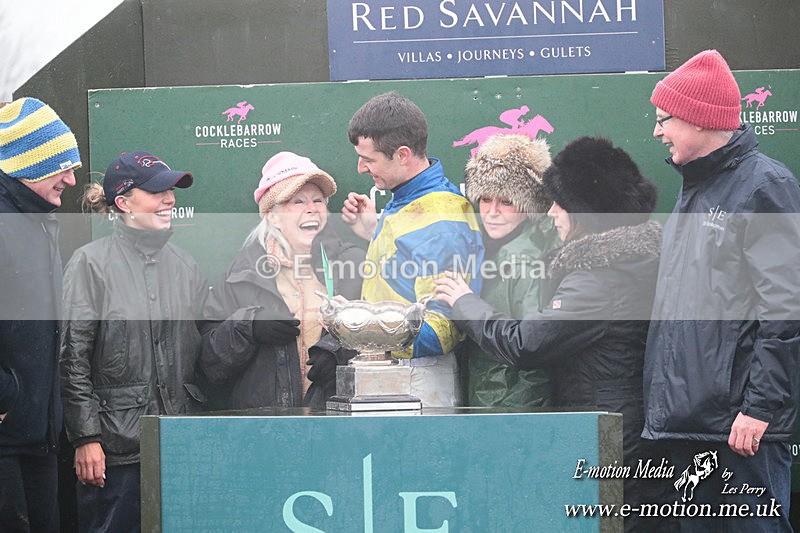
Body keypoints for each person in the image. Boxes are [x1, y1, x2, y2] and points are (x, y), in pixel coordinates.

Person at [436, 136, 660, 531]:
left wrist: (464, 301)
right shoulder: (623, 261)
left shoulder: (599, 280)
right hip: (610, 423)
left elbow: (525, 343)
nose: (552, 212)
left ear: (586, 213)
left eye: (561, 203)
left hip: (610, 434)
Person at [642, 49, 800, 531]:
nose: (656, 131)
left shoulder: (763, 186)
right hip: (693, 427)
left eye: (663, 118)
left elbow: (787, 310)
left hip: (741, 433)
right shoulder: (696, 190)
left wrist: (758, 410)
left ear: (697, 118)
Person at [60, 151, 208, 532]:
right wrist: (86, 437)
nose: (170, 199)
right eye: (157, 191)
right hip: (114, 451)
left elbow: (203, 353)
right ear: (123, 203)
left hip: (180, 445)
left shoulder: (187, 265)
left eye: (171, 190)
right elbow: (72, 359)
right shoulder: (89, 263)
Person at [341, 91, 484, 407]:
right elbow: (409, 275)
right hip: (397, 370)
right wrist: (372, 230)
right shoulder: (406, 200)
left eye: (369, 159)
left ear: (402, 155)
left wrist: (365, 336)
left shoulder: (441, 216)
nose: (361, 168)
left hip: (417, 378)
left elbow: (441, 327)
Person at [199, 151, 365, 410]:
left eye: (318, 200)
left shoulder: (353, 265)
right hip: (266, 433)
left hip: (338, 427)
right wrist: (248, 327)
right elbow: (209, 363)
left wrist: (341, 355)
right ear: (272, 215)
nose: (311, 208)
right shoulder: (241, 275)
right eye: (297, 201)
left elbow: (385, 349)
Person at [0, 97, 81, 533]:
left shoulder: (38, 219)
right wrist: (6, 396)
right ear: (26, 164)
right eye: (61, 166)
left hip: (38, 433)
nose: (71, 179)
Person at [459, 133, 559, 407]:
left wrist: (510, 420)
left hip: (507, 410)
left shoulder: (525, 261)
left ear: (529, 206)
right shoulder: (487, 246)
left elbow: (533, 356)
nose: (492, 211)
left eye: (506, 201)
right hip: (489, 403)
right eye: (485, 199)